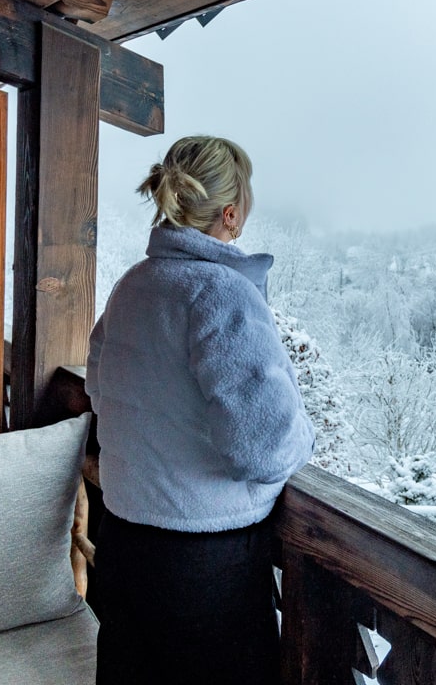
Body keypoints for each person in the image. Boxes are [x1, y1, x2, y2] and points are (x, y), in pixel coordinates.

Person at [85, 135, 314, 685]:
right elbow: (265, 447)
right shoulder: (221, 294)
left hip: (121, 541)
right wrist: (305, 436)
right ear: (230, 215)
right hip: (205, 567)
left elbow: (98, 386)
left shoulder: (133, 285)